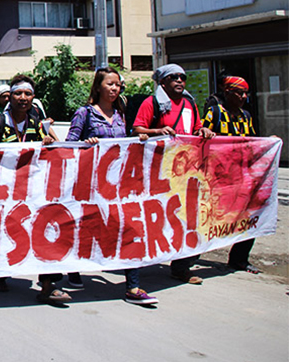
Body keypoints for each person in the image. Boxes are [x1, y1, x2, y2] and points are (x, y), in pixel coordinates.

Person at [66, 68, 157, 305]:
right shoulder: (84, 114)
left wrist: (140, 141)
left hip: (118, 187)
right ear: (98, 87)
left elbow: (124, 144)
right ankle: (71, 269)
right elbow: (68, 147)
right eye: (110, 84)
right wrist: (86, 145)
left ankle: (133, 287)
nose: (115, 88)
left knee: (130, 229)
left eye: (117, 84)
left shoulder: (121, 114)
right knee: (85, 231)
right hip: (90, 187)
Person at [0, 75, 64, 304]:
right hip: (3, 191)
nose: (23, 98)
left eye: (27, 94)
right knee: (4, 232)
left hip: (31, 190)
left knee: (44, 231)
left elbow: (46, 152)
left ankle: (47, 285)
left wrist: (47, 144)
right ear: (10, 97)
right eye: (18, 93)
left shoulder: (36, 124)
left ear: (33, 98)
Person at [133, 64, 215, 285]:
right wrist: (156, 131)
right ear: (162, 82)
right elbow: (137, 130)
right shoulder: (151, 104)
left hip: (188, 172)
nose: (179, 81)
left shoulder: (190, 104)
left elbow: (196, 128)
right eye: (173, 77)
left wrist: (203, 131)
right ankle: (143, 257)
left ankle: (182, 266)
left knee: (192, 218)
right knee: (158, 217)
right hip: (159, 173)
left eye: (182, 77)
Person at [202, 76, 260, 274]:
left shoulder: (245, 116)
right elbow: (201, 137)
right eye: (239, 93)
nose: (243, 97)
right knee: (207, 219)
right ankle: (187, 260)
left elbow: (252, 141)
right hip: (217, 179)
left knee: (248, 217)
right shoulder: (215, 113)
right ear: (227, 93)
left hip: (241, 177)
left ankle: (239, 259)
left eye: (245, 93)